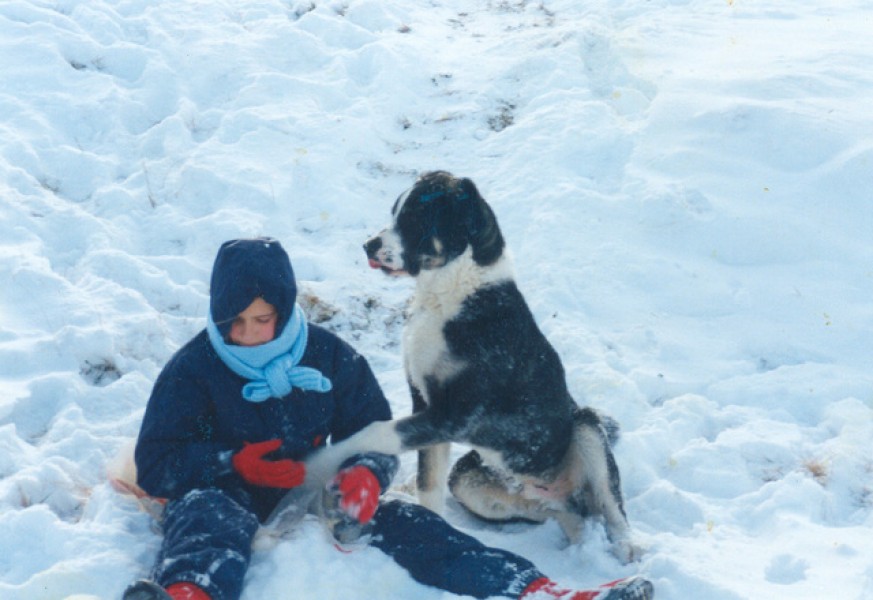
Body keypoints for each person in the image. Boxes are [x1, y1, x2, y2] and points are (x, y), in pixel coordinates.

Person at [123, 237, 653, 600]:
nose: (248, 334)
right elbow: (155, 462)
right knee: (207, 515)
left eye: (262, 320)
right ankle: (186, 594)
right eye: (234, 323)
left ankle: (538, 591)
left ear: (283, 310)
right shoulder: (193, 369)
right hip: (226, 490)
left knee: (412, 523)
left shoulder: (329, 356)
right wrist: (233, 464)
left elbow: (372, 432)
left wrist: (365, 474)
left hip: (314, 489)